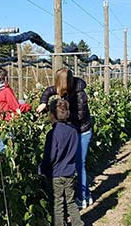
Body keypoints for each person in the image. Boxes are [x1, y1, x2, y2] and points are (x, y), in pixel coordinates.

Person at [37, 68, 93, 209]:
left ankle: (83, 197)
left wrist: (57, 111)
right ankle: (86, 194)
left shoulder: (80, 95)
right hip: (73, 130)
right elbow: (49, 91)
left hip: (82, 131)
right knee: (76, 163)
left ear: (64, 83)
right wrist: (44, 101)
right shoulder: (65, 87)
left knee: (80, 164)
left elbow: (79, 117)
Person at [39, 99, 89, 226]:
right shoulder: (74, 131)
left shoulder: (53, 133)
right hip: (69, 173)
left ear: (52, 115)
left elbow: (51, 156)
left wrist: (43, 169)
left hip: (56, 174)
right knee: (72, 203)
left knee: (58, 205)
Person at [0, 67, 31, 152]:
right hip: (6, 128)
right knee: (9, 155)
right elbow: (16, 108)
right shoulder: (6, 91)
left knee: (0, 158)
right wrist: (28, 106)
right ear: (5, 78)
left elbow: (2, 105)